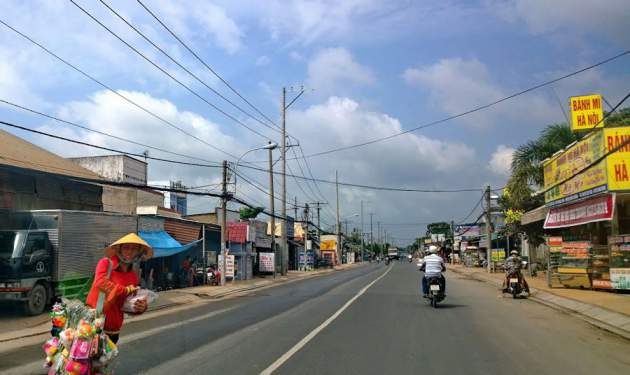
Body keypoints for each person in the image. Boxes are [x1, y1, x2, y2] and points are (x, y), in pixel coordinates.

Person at [86, 233, 153, 344]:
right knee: (82, 360)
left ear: (138, 253)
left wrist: (140, 307)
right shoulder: (106, 263)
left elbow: (126, 305)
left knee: (102, 361)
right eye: (126, 248)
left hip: (114, 331)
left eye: (134, 249)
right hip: (93, 327)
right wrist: (125, 290)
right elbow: (100, 282)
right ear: (119, 249)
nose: (130, 252)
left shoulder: (133, 276)